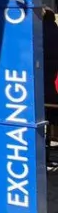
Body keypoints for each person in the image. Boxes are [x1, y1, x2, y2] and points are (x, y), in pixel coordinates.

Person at [42, 8, 58, 141]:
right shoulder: (55, 31)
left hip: (42, 73)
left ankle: (46, 138)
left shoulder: (38, 32)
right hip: (54, 77)